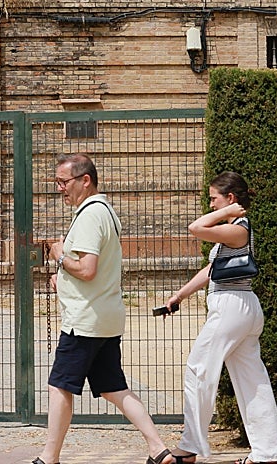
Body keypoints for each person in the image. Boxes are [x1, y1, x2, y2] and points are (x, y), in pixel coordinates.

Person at [35, 153, 174, 464]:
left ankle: (49, 458)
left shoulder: (89, 215)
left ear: (85, 180)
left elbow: (87, 269)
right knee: (114, 388)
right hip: (106, 316)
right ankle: (158, 449)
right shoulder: (106, 212)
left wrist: (59, 256)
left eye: (64, 182)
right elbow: (91, 273)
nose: (60, 188)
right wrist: (64, 280)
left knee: (59, 386)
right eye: (57, 182)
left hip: (85, 320)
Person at [162, 171, 277, 464]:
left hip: (232, 307)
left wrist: (229, 211)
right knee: (252, 380)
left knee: (198, 369)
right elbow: (211, 271)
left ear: (230, 199)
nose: (211, 204)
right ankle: (268, 452)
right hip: (241, 309)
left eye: (214, 199)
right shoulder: (232, 232)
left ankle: (190, 447)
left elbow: (195, 227)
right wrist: (180, 295)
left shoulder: (237, 229)